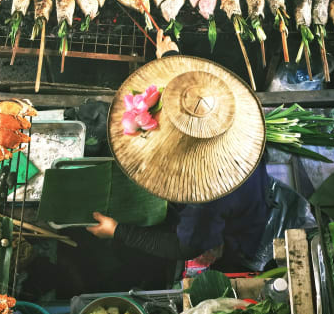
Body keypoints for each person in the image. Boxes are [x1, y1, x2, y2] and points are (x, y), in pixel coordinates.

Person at [87, 29, 272, 272]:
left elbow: (183, 247)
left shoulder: (203, 196)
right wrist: (170, 57)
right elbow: (193, 101)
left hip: (239, 229)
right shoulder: (220, 106)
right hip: (244, 192)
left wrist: (117, 231)